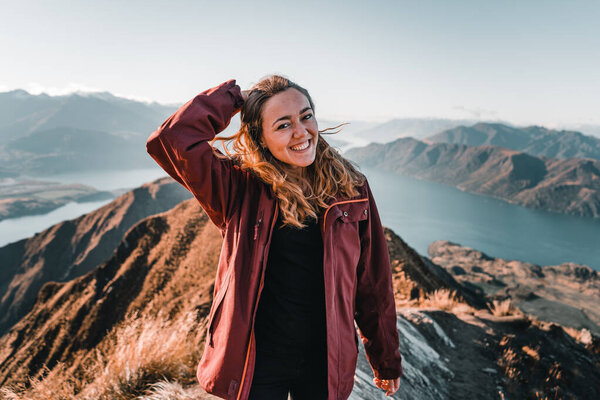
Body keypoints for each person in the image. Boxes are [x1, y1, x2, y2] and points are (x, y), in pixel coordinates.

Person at [146, 75, 402, 400]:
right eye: (282, 125)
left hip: (325, 357)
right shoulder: (237, 188)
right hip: (257, 360)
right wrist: (237, 96)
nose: (301, 132)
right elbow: (172, 138)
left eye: (306, 116)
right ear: (260, 136)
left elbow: (373, 281)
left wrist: (386, 358)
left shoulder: (351, 190)